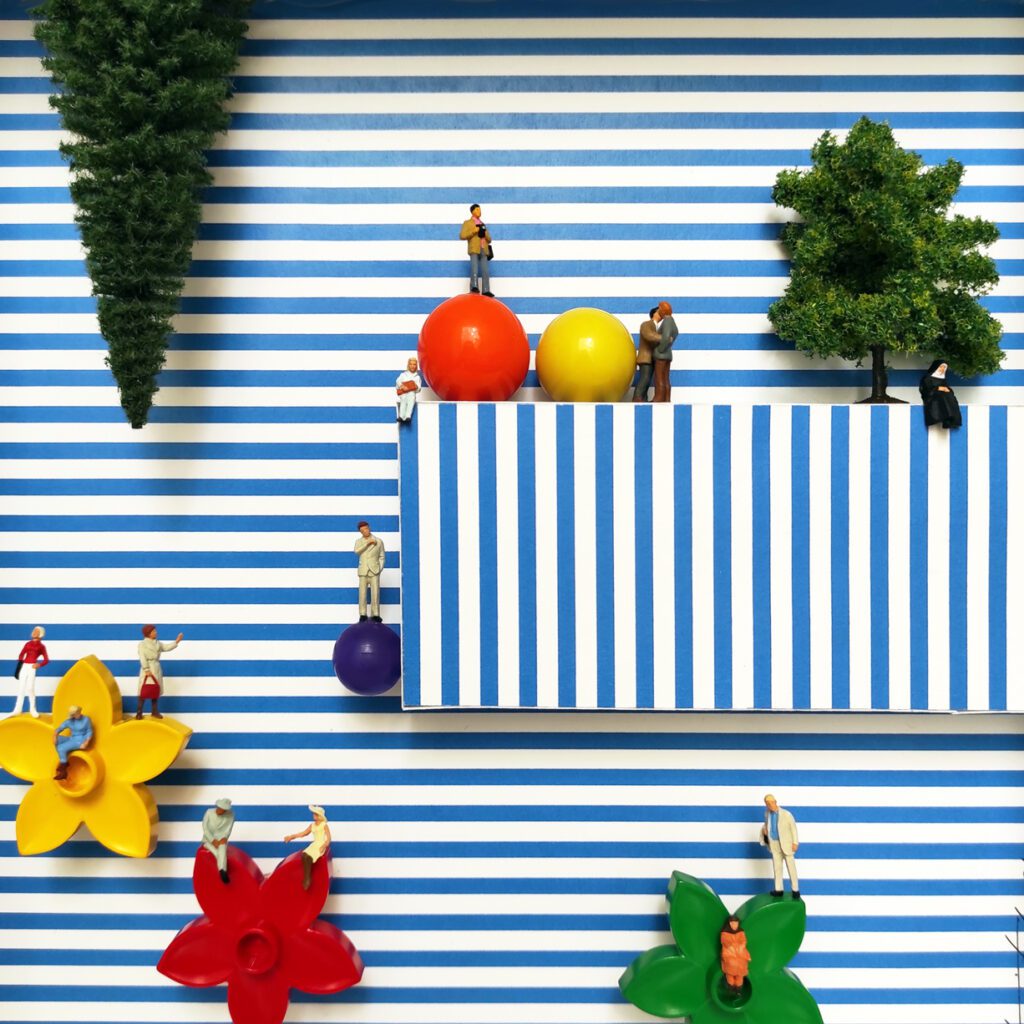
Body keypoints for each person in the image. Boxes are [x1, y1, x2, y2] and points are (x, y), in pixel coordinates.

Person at [137, 624, 183, 720]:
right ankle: (139, 712)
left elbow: (166, 647)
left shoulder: (158, 643)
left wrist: (176, 641)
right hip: (148, 669)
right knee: (144, 690)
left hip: (156, 668)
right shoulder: (142, 644)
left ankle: (154, 711)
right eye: (153, 631)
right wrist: (146, 669)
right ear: (148, 633)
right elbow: (142, 657)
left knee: (155, 690)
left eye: (155, 631)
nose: (156, 632)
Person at [759, 794, 799, 898]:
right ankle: (778, 889)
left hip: (786, 844)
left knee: (791, 868)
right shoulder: (767, 814)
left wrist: (795, 842)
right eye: (768, 803)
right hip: (774, 843)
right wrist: (765, 831)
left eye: (771, 803)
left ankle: (795, 890)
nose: (770, 805)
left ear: (775, 802)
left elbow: (793, 828)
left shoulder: (786, 814)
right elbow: (767, 825)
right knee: (777, 868)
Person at [284, 804, 331, 891]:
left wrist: (324, 845)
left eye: (315, 814)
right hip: (314, 844)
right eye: (313, 814)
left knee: (309, 856)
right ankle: (307, 876)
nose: (313, 815)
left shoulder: (324, 825)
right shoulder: (312, 825)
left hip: (320, 844)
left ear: (319, 816)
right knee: (304, 855)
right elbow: (303, 833)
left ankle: (307, 879)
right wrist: (291, 837)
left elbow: (328, 838)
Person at [9, 625, 48, 718]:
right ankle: (17, 709)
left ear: (40, 634)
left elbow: (46, 659)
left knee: (30, 688)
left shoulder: (41, 646)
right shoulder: (27, 644)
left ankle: (33, 709)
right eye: (34, 630)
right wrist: (21, 662)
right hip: (24, 666)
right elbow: (21, 654)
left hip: (32, 667)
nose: (34, 632)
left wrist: (39, 664)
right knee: (21, 687)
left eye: (36, 631)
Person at [459, 203, 494, 296]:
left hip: (484, 249)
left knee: (485, 270)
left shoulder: (483, 224)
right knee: (474, 268)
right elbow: (462, 235)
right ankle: (474, 287)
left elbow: (489, 239)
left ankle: (486, 289)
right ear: (472, 211)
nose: (479, 211)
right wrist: (474, 231)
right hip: (474, 248)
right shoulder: (467, 223)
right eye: (477, 210)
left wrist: (485, 233)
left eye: (480, 210)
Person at [354, 521, 385, 622]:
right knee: (362, 594)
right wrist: (367, 543)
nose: (365, 531)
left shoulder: (379, 541)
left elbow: (382, 556)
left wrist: (379, 568)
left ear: (369, 528)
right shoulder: (359, 541)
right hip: (363, 571)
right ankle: (362, 614)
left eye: (366, 529)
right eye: (362, 531)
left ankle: (375, 614)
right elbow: (356, 551)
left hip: (374, 570)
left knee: (375, 593)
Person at [53, 704, 93, 780]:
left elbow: (89, 731)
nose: (76, 715)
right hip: (72, 738)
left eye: (77, 713)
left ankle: (63, 771)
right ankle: (65, 761)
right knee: (57, 740)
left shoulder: (86, 720)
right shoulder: (70, 721)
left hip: (80, 740)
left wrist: (86, 742)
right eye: (74, 714)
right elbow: (60, 728)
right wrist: (55, 735)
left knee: (61, 748)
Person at [919, 359, 962, 429]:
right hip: (931, 396)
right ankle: (945, 417)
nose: (942, 369)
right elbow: (926, 390)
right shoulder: (927, 378)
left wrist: (948, 389)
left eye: (944, 367)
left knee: (950, 396)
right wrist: (938, 388)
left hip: (942, 395)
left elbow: (947, 388)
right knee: (942, 396)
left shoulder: (943, 379)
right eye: (941, 367)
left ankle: (952, 419)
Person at [202, 798, 236, 884]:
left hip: (221, 838)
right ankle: (222, 868)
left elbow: (228, 829)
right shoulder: (209, 812)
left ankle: (222, 871)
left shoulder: (230, 815)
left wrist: (225, 837)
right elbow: (205, 828)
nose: (220, 810)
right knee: (218, 854)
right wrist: (212, 840)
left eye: (222, 809)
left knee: (222, 848)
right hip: (208, 840)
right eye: (219, 808)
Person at [652, 301, 678, 403]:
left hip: (662, 355)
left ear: (663, 310)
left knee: (659, 377)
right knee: (666, 378)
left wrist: (660, 349)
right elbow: (674, 334)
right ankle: (666, 398)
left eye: (659, 308)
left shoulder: (667, 321)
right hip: (668, 354)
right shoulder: (672, 321)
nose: (658, 311)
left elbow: (666, 337)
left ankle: (659, 398)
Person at [634, 308, 660, 403]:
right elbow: (649, 335)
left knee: (648, 380)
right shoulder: (646, 324)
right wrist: (664, 338)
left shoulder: (657, 327)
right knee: (644, 379)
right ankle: (637, 398)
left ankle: (643, 399)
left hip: (652, 358)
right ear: (654, 314)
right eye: (659, 312)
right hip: (645, 357)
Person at [720, 915, 751, 991]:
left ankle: (738, 988)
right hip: (730, 956)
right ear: (729, 923)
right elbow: (727, 944)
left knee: (740, 975)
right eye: (733, 923)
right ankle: (731, 987)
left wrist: (740, 947)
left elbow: (743, 941)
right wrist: (736, 947)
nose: (735, 925)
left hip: (740, 957)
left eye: (736, 923)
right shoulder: (725, 933)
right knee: (730, 974)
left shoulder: (741, 932)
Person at [396, 357, 422, 424]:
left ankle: (408, 416)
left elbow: (419, 388)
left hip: (411, 393)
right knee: (403, 401)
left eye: (414, 364)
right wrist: (402, 386)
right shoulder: (403, 374)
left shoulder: (417, 377)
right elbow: (398, 381)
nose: (412, 366)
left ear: (416, 366)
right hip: (404, 392)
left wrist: (416, 387)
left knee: (411, 399)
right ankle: (401, 416)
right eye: (411, 364)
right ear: (408, 365)